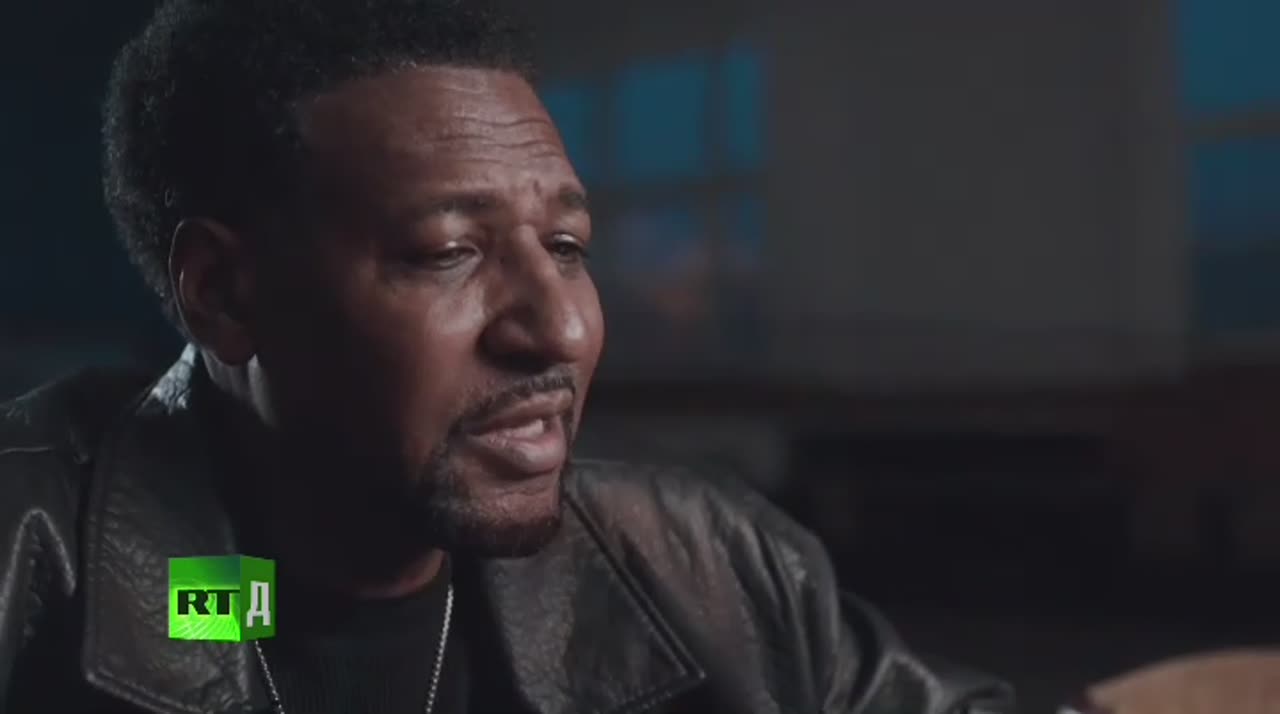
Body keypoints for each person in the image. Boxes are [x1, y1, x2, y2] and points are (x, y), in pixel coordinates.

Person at [0, 1, 1013, 712]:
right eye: (448, 252)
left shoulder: (714, 572)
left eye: (566, 247)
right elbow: (216, 608)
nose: (561, 330)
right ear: (224, 293)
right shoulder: (29, 560)